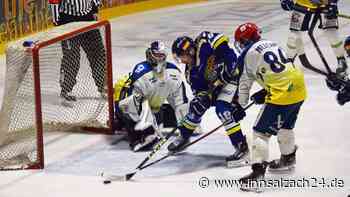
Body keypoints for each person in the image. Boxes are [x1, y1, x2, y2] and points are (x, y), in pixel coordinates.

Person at [233, 22, 307, 191]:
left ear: (244, 40)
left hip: (282, 94)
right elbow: (279, 70)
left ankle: (257, 176)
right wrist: (266, 89)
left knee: (260, 133)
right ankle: (288, 159)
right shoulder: (272, 43)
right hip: (299, 88)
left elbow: (244, 83)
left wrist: (239, 105)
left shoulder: (247, 54)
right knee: (285, 126)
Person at [169, 31, 249, 168]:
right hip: (215, 87)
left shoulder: (203, 41)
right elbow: (201, 91)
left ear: (189, 51)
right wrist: (201, 99)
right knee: (195, 109)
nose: (181, 61)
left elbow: (224, 45)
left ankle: (241, 146)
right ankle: (184, 136)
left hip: (232, 79)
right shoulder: (190, 73)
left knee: (222, 109)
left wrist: (229, 67)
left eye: (181, 57)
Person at [113, 41, 191, 152]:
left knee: (166, 115)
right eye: (156, 55)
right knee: (128, 107)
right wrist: (148, 132)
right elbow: (130, 104)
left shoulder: (173, 72)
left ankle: (127, 124)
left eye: (161, 55)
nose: (159, 58)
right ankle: (129, 129)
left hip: (152, 104)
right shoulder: (142, 73)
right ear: (149, 54)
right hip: (126, 101)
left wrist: (186, 127)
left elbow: (179, 100)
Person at [49, 0, 106, 106]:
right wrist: (57, 20)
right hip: (68, 20)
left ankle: (103, 86)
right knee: (72, 57)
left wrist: (94, 9)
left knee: (98, 52)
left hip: (88, 18)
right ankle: (66, 89)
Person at [280, 0, 348, 81]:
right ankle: (288, 62)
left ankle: (341, 61)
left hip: (326, 4)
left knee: (331, 32)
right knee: (294, 35)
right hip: (302, 3)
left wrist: (332, 3)